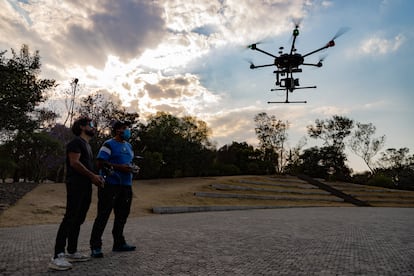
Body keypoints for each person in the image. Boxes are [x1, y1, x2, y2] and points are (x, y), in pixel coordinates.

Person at [49, 117, 104, 271]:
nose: (93, 127)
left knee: (78, 219)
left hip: (86, 185)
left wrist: (95, 176)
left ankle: (71, 251)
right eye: (91, 124)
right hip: (76, 185)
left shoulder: (87, 145)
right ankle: (57, 255)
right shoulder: (75, 143)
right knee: (70, 217)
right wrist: (92, 176)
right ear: (81, 127)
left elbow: (86, 165)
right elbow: (74, 163)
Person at [90, 120, 136, 258]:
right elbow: (100, 163)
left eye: (127, 128)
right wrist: (119, 168)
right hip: (110, 186)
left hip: (126, 186)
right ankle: (95, 247)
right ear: (117, 130)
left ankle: (119, 243)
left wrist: (133, 168)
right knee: (103, 216)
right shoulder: (108, 144)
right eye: (124, 128)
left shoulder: (129, 146)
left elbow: (129, 163)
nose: (127, 130)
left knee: (122, 216)